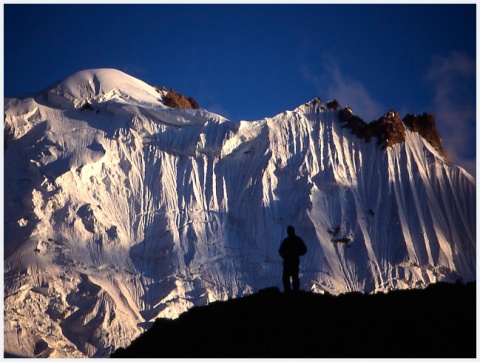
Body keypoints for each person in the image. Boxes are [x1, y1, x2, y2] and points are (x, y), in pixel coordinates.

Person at [279, 225, 307, 292]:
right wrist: (297, 254)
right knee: (294, 277)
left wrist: (285, 256)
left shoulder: (286, 241)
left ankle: (288, 291)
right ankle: (295, 291)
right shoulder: (297, 240)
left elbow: (280, 251)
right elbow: (304, 249)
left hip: (288, 262)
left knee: (288, 277)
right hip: (293, 262)